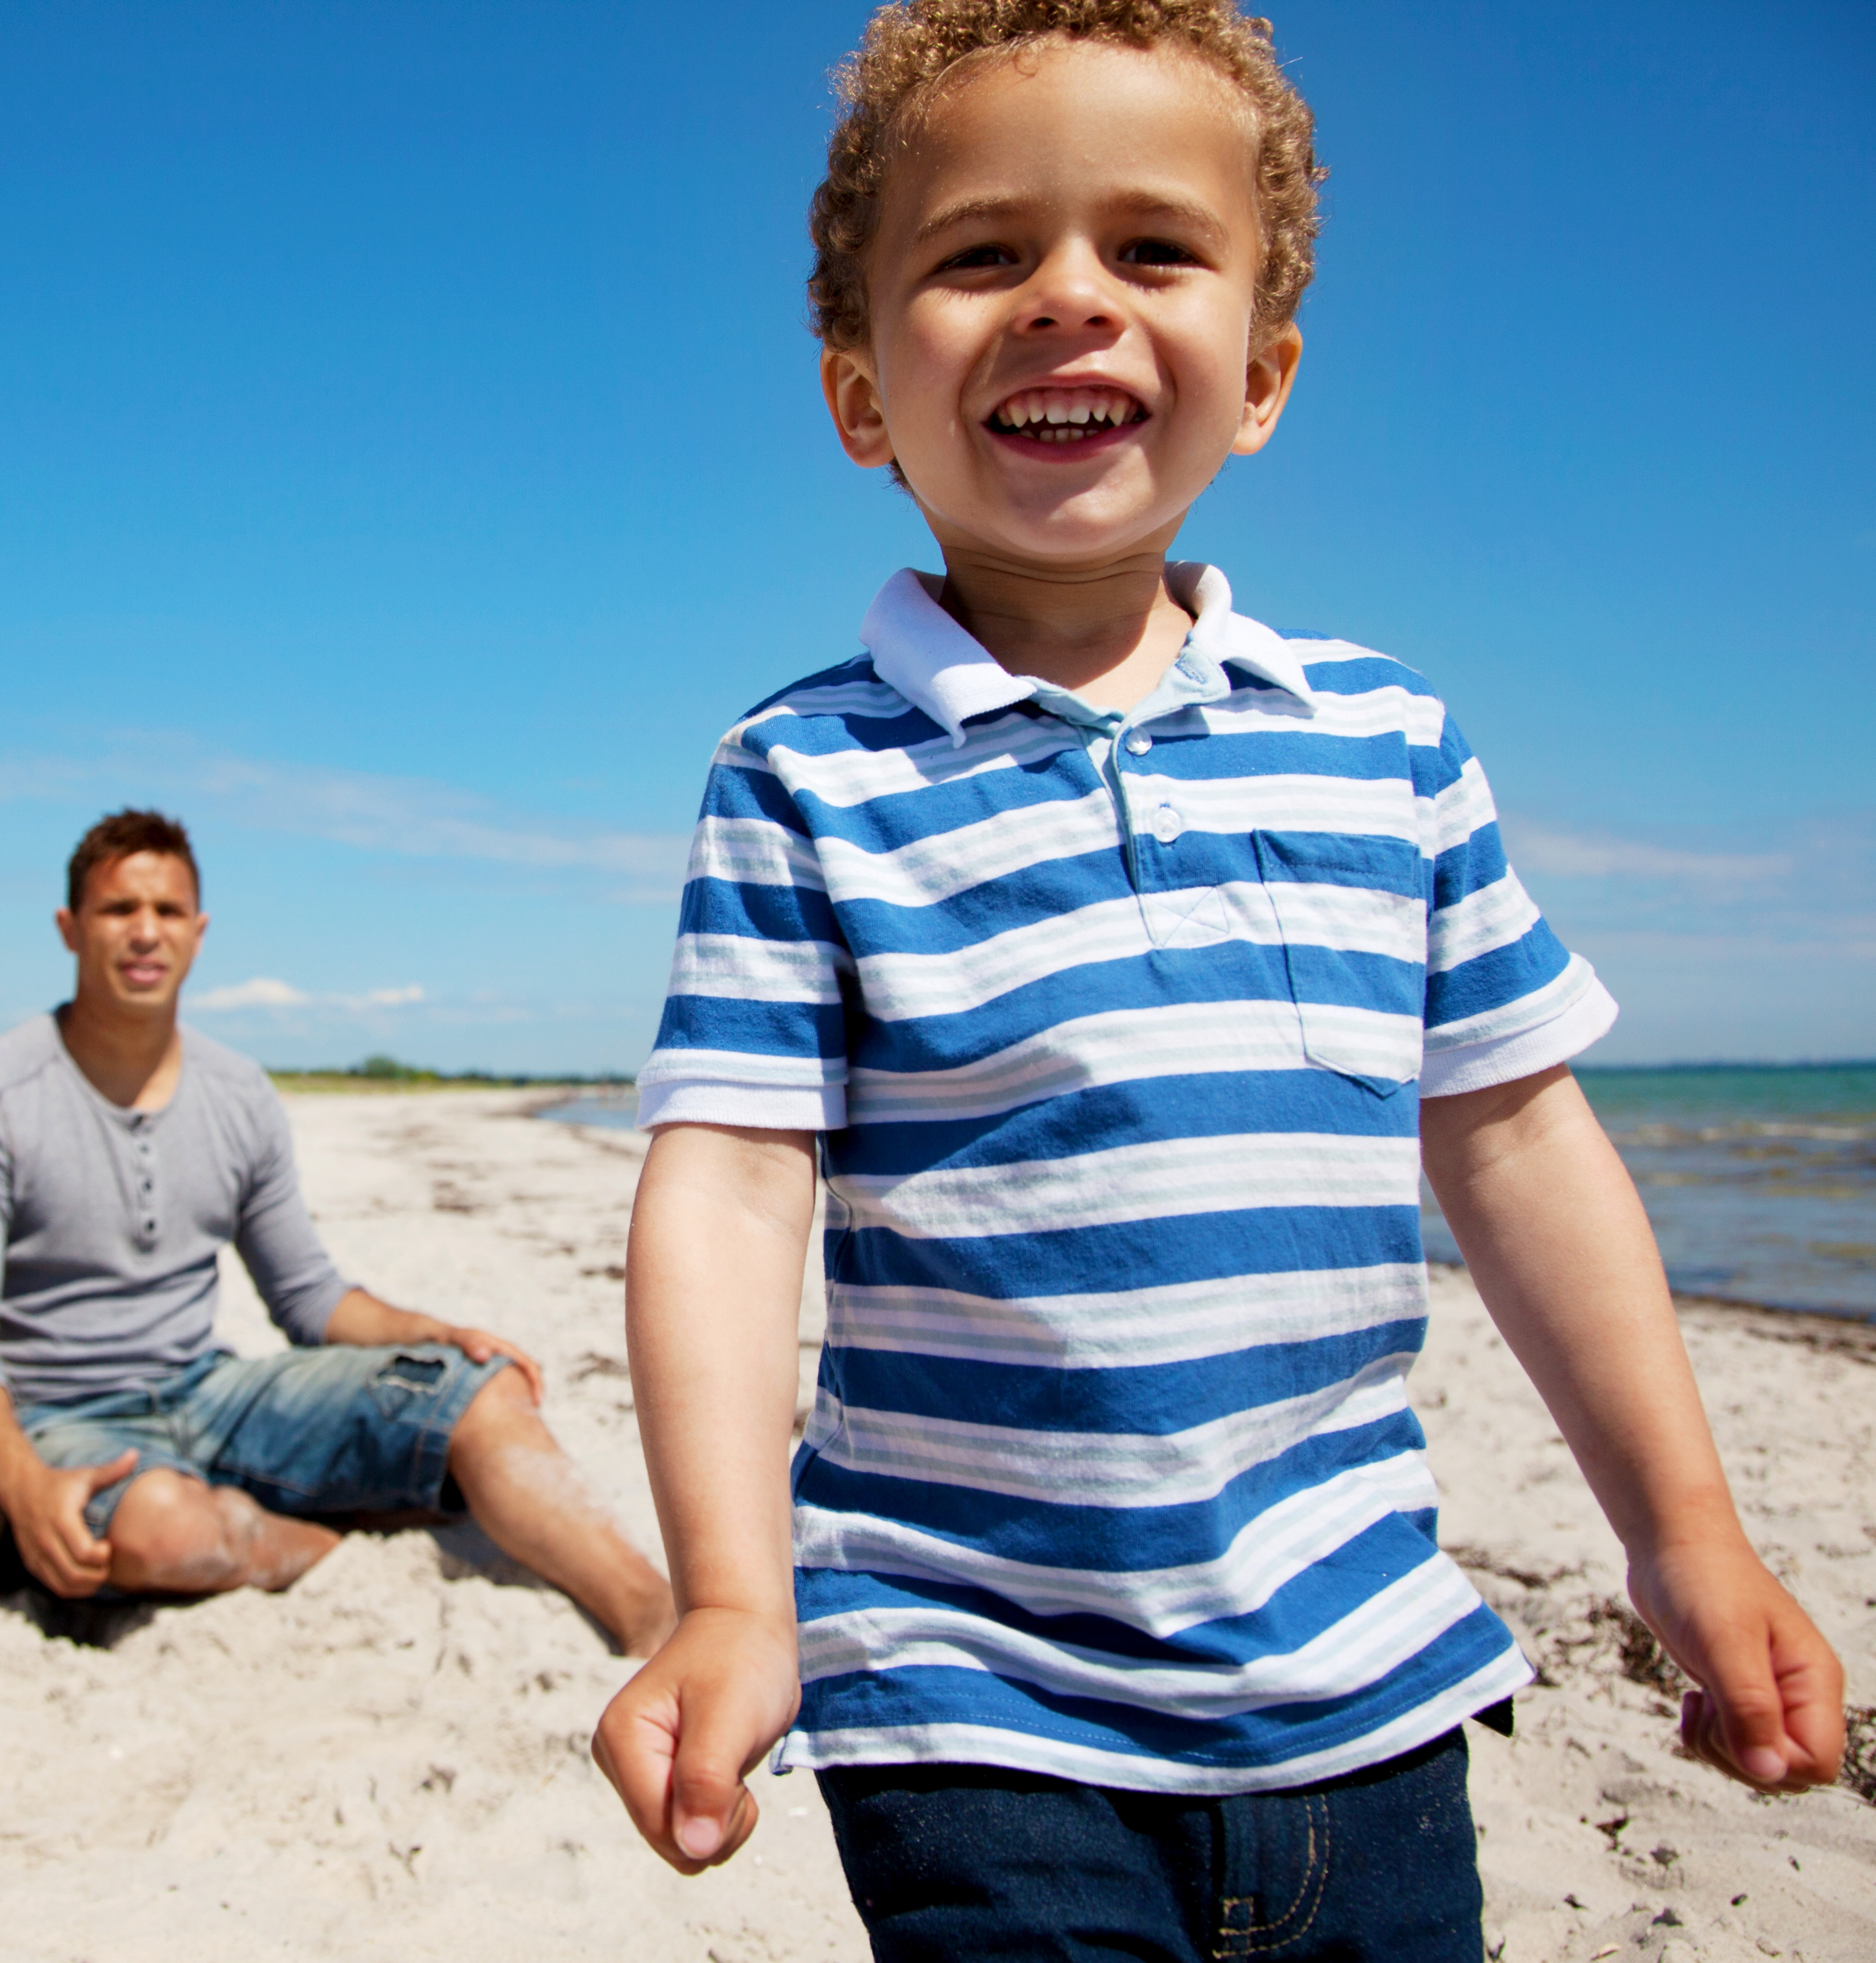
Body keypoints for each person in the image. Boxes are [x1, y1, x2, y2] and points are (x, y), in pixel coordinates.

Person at [590, 4, 1847, 1956]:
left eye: (1148, 249)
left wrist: (1682, 1538)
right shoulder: (805, 775)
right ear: (857, 393)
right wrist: (731, 1593)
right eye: (981, 252)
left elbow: (1513, 1144)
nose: (1064, 300)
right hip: (964, 1693)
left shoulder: (1385, 739)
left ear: (1256, 376)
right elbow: (732, 1185)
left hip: (1364, 1687)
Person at [0, 808, 677, 1656]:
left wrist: (432, 1333)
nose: (144, 932)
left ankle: (651, 1620)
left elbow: (306, 1295)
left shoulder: (237, 1092)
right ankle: (319, 1543)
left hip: (210, 1395)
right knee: (164, 1525)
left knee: (482, 1392)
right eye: (119, 910)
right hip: (60, 1419)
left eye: (166, 912)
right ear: (70, 928)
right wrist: (19, 1482)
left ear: (198, 933)